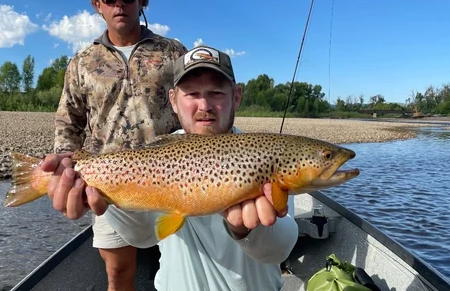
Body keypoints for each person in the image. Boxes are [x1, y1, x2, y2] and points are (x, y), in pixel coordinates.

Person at [82, 45, 300, 290]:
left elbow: (278, 252)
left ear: (236, 97)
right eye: (192, 94)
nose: (204, 105)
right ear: (173, 100)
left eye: (216, 93)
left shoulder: (262, 153)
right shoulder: (156, 155)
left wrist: (245, 230)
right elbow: (143, 237)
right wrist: (104, 195)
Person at [40, 0, 188, 290]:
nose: (119, 3)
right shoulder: (82, 61)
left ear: (140, 1)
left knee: (182, 266)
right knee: (118, 273)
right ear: (97, 5)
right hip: (108, 187)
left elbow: (191, 107)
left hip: (176, 182)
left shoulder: (172, 51)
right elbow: (69, 121)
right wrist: (64, 170)